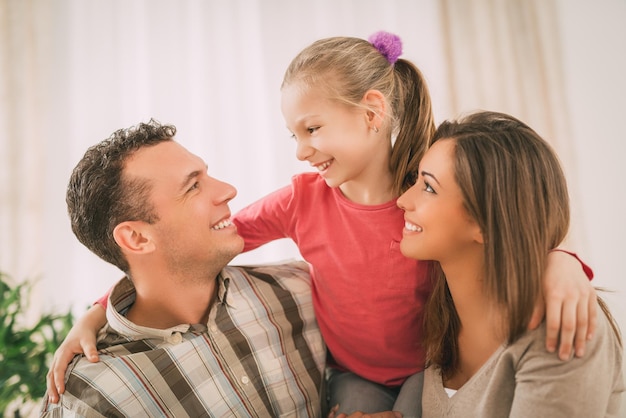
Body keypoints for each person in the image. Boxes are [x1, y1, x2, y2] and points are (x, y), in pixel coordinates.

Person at [47, 32, 596, 416]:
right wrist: (101, 311)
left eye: (312, 129)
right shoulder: (302, 201)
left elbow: (504, 216)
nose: (303, 150)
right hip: (353, 375)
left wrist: (560, 259)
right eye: (294, 136)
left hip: (426, 367)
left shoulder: (425, 188)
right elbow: (199, 242)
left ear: (373, 113)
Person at [40, 120, 326, 417]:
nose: (229, 190)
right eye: (193, 186)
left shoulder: (301, 292)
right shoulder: (90, 397)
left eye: (207, 174)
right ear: (137, 238)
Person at [395, 111, 624, 417]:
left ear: (486, 222)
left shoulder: (564, 326)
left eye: (429, 187)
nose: (402, 201)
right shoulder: (440, 315)